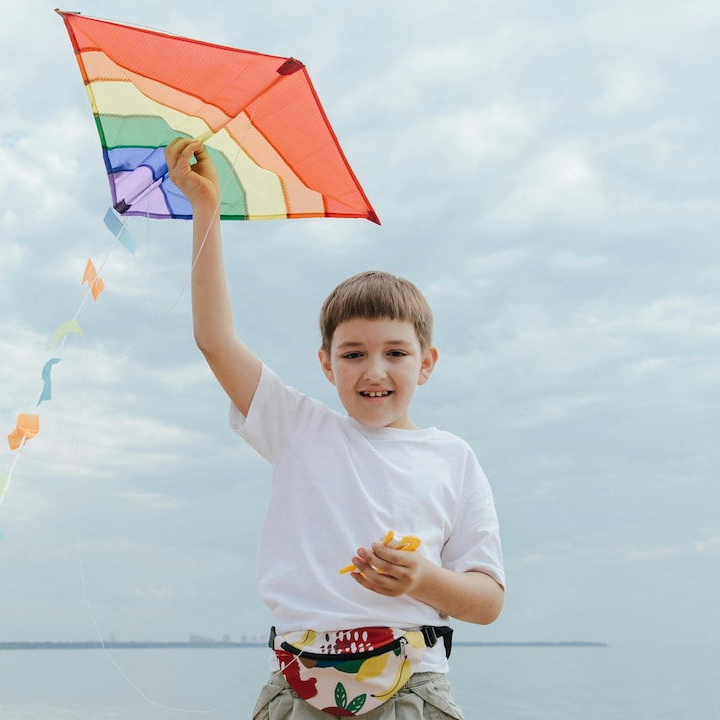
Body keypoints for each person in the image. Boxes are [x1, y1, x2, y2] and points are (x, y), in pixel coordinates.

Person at [166, 138, 505, 720]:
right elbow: (215, 340)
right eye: (352, 355)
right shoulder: (297, 427)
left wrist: (421, 579)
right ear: (326, 364)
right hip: (298, 685)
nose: (374, 371)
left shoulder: (452, 457)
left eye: (396, 352)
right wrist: (205, 210)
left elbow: (486, 602)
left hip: (413, 688)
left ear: (426, 362)